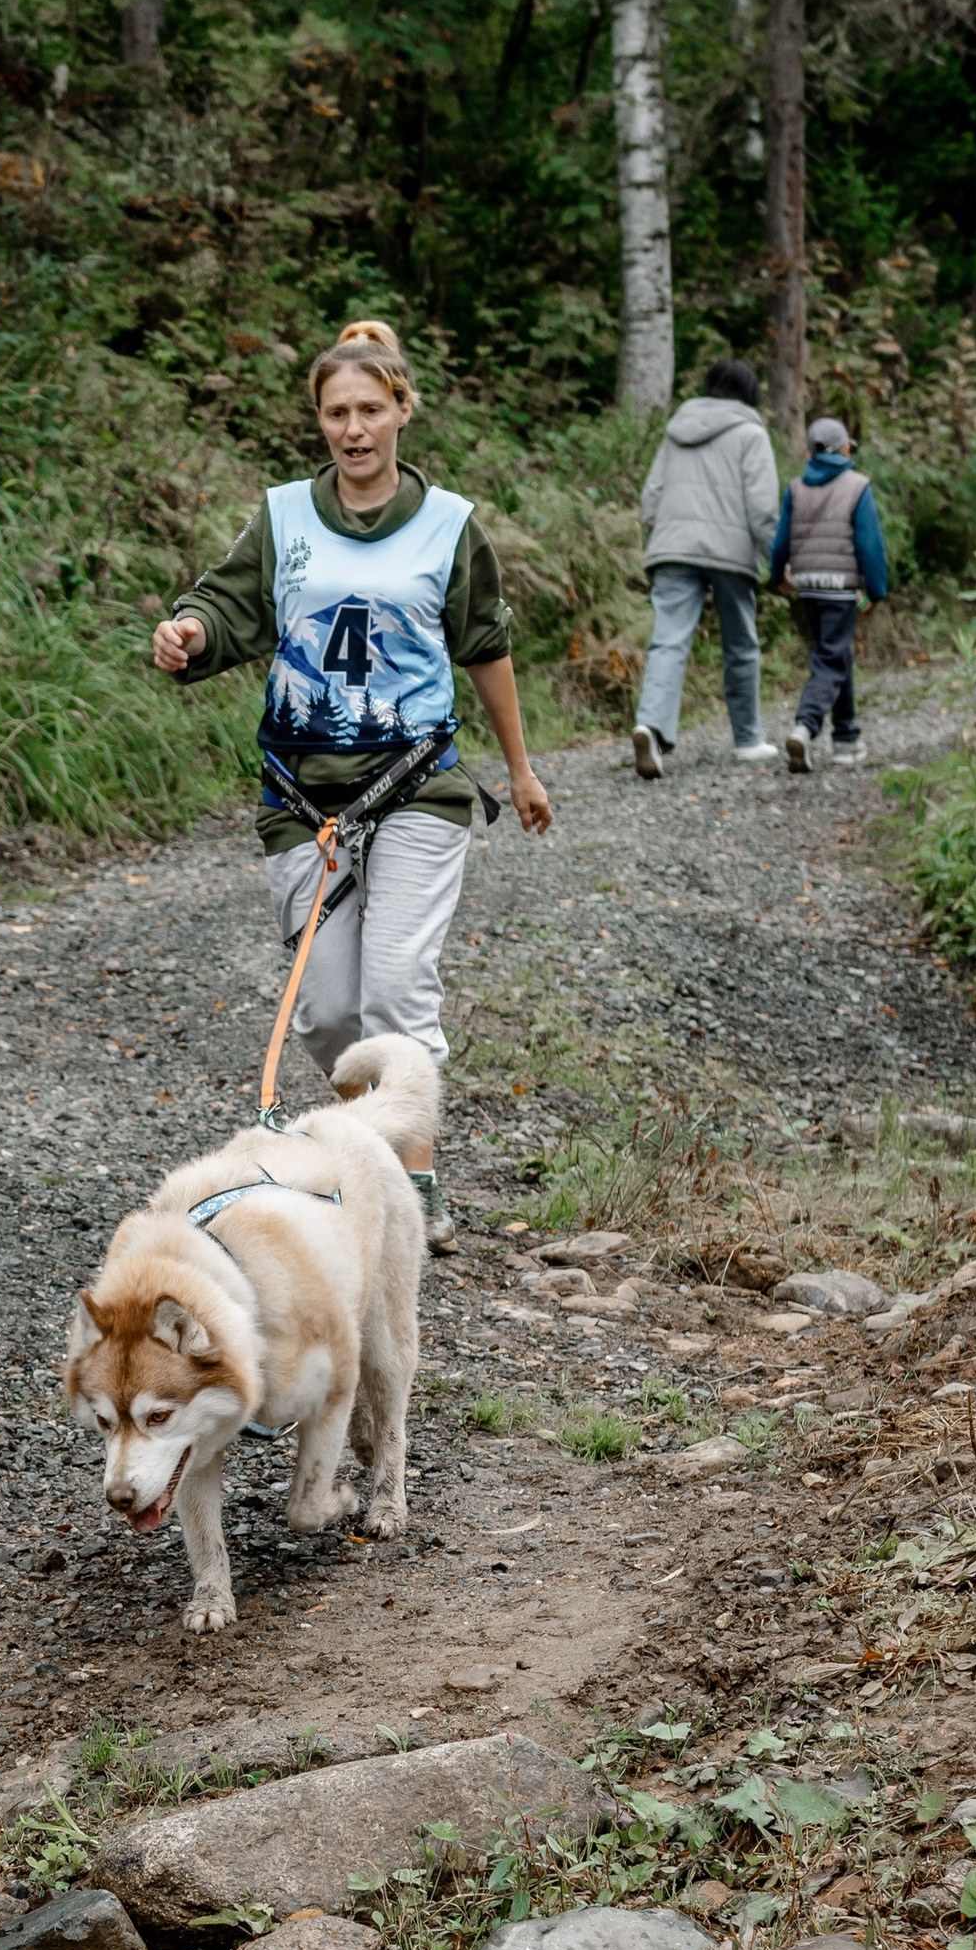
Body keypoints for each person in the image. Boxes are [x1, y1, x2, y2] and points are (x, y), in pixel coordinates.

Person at [149, 316, 553, 1252]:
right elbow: (227, 605)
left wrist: (522, 772)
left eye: (372, 409)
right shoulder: (285, 514)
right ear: (320, 420)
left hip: (417, 787)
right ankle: (367, 1151)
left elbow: (486, 651)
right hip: (303, 799)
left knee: (398, 995)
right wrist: (188, 634)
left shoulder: (451, 525)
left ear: (404, 410)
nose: (354, 429)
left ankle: (413, 1186)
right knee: (329, 1014)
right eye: (337, 412)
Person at [632, 355, 782, 777]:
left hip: (673, 548)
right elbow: (762, 508)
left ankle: (651, 727)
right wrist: (776, 558)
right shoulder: (751, 432)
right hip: (730, 552)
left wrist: (663, 531)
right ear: (750, 392)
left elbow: (651, 498)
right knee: (740, 646)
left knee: (668, 641)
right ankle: (749, 739)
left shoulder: (676, 430)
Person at [771, 412, 889, 771]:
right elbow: (870, 546)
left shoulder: (795, 488)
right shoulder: (857, 486)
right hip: (840, 588)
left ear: (810, 453)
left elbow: (781, 542)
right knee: (830, 660)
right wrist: (877, 590)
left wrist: (778, 577)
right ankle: (804, 727)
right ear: (843, 448)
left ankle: (846, 738)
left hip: (807, 588)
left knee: (836, 655)